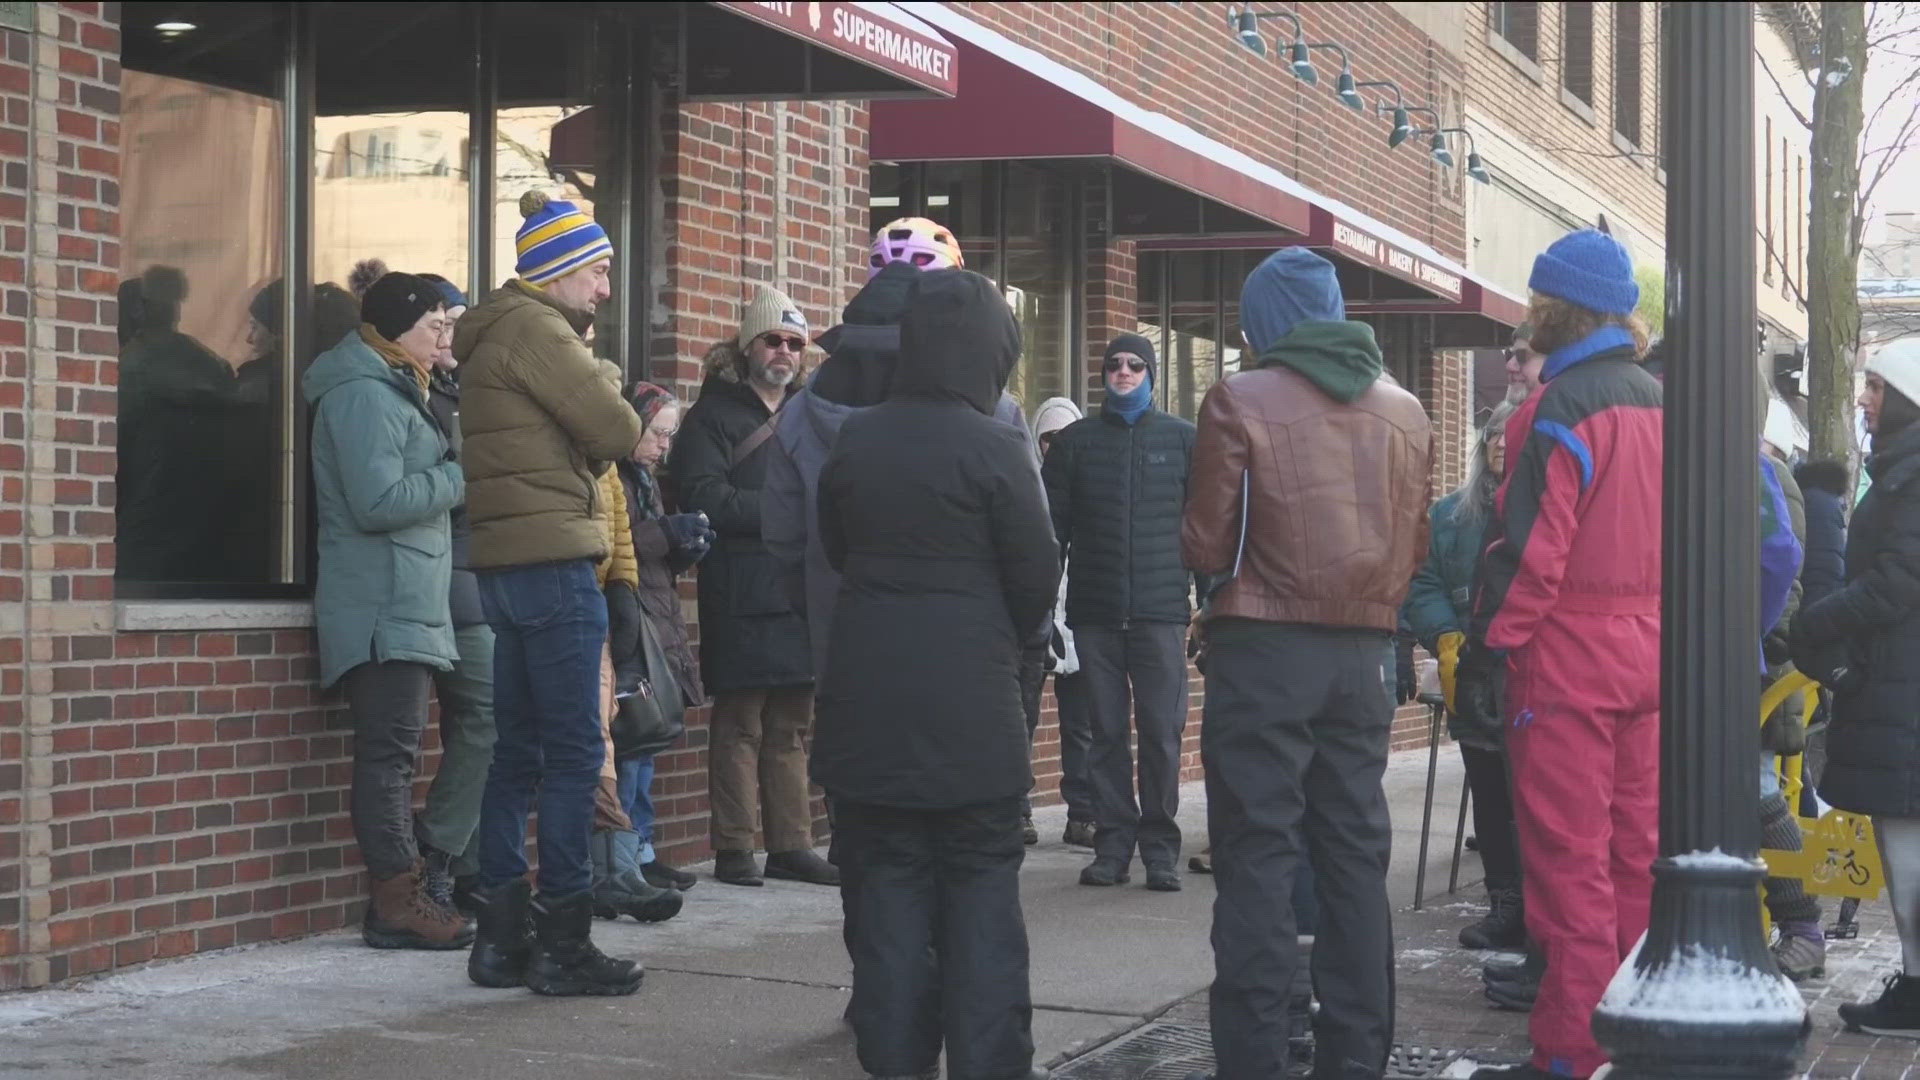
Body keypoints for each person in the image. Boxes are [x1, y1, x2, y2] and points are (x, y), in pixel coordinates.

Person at [1180, 247, 1432, 1080]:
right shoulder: (1407, 412)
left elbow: (1208, 543)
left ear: (1263, 324)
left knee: (1257, 854)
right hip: (1364, 654)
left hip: (1264, 648)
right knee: (1354, 856)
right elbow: (1415, 545)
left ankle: (1253, 1058)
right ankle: (1357, 1056)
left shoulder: (1240, 398)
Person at [813, 267, 1059, 1080]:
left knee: (885, 907)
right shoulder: (997, 446)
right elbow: (1035, 576)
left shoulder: (858, 439)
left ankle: (895, 1063)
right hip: (973, 711)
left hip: (868, 704)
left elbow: (835, 547)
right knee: (983, 904)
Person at [1457, 230, 1662, 1080]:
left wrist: (1486, 651)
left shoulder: (1557, 409)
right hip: (1648, 652)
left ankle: (1574, 1054)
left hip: (1568, 657)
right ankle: (1639, 1041)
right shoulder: (1660, 402)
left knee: (1569, 868)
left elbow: (1531, 552)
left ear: (1558, 308)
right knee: (1635, 859)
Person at [455, 189, 645, 997]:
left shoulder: (493, 330)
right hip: (557, 563)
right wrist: (604, 376)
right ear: (559, 270)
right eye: (597, 270)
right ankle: (565, 945)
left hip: (505, 567)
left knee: (517, 753)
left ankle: (501, 939)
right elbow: (619, 430)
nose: (605, 289)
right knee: (574, 756)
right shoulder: (538, 329)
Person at [303, 272, 470, 950]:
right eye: (436, 326)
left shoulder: (399, 384)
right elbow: (376, 502)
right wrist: (461, 475)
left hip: (405, 599)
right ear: (399, 327)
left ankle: (404, 897)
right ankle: (397, 903)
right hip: (381, 604)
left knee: (398, 754)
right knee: (389, 758)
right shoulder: (365, 394)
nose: (444, 338)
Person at [671, 284, 837, 889]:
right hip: (739, 590)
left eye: (795, 342)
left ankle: (791, 845)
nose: (784, 351)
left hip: (797, 589)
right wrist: (786, 511)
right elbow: (701, 496)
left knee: (791, 725)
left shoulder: (810, 414)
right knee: (740, 724)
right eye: (773, 339)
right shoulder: (711, 417)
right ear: (747, 347)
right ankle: (736, 847)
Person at [1791, 339, 1920, 1037]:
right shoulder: (1901, 471)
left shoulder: (1911, 477)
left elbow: (1898, 581)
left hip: (1904, 693)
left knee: (1908, 844)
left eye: (1876, 387)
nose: (1865, 399)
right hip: (1897, 688)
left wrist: (1821, 620)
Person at [1043, 332, 1198, 892]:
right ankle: (1112, 846)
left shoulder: (1184, 441)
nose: (1125, 372)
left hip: (1162, 613)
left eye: (1136, 364)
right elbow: (1051, 536)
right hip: (1096, 612)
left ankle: (1160, 850)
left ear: (1152, 373)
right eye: (1115, 364)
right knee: (1105, 733)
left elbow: (1204, 530)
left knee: (1161, 733)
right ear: (1103, 373)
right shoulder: (1075, 444)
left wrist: (1212, 606)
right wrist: (1042, 611)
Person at [1402, 401, 1525, 952]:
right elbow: (1421, 581)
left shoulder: (1543, 506)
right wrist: (1445, 637)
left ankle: (1543, 906)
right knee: (1491, 795)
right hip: (1470, 672)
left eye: (1512, 433)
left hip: (1530, 672)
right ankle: (1505, 903)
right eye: (1493, 433)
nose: (1500, 441)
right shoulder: (1451, 515)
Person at [410, 274, 497, 916]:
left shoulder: (466, 393)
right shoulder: (417, 396)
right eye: (443, 323)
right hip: (441, 574)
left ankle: (467, 868)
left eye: (458, 324)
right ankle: (437, 853)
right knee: (485, 715)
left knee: (488, 721)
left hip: (477, 571)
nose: (452, 336)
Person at [617, 382, 712, 893]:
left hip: (656, 616)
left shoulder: (645, 479)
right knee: (632, 743)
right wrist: (667, 533)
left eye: (670, 436)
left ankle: (644, 848)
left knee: (647, 744)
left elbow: (652, 557)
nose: (663, 445)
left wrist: (684, 549)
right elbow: (614, 544)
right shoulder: (610, 474)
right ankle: (625, 855)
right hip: (629, 624)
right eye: (657, 433)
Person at [115, 266, 234, 583]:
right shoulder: (208, 361)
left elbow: (112, 443)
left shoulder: (130, 366)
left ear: (137, 312)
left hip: (147, 504)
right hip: (204, 509)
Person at [1031, 396, 1094, 848]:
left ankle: (1083, 814)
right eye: (1047, 437)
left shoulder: (1092, 491)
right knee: (1021, 719)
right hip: (1034, 622)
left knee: (1082, 726)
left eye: (1064, 437)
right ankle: (1017, 811)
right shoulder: (1023, 487)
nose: (1055, 445)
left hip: (1081, 619)